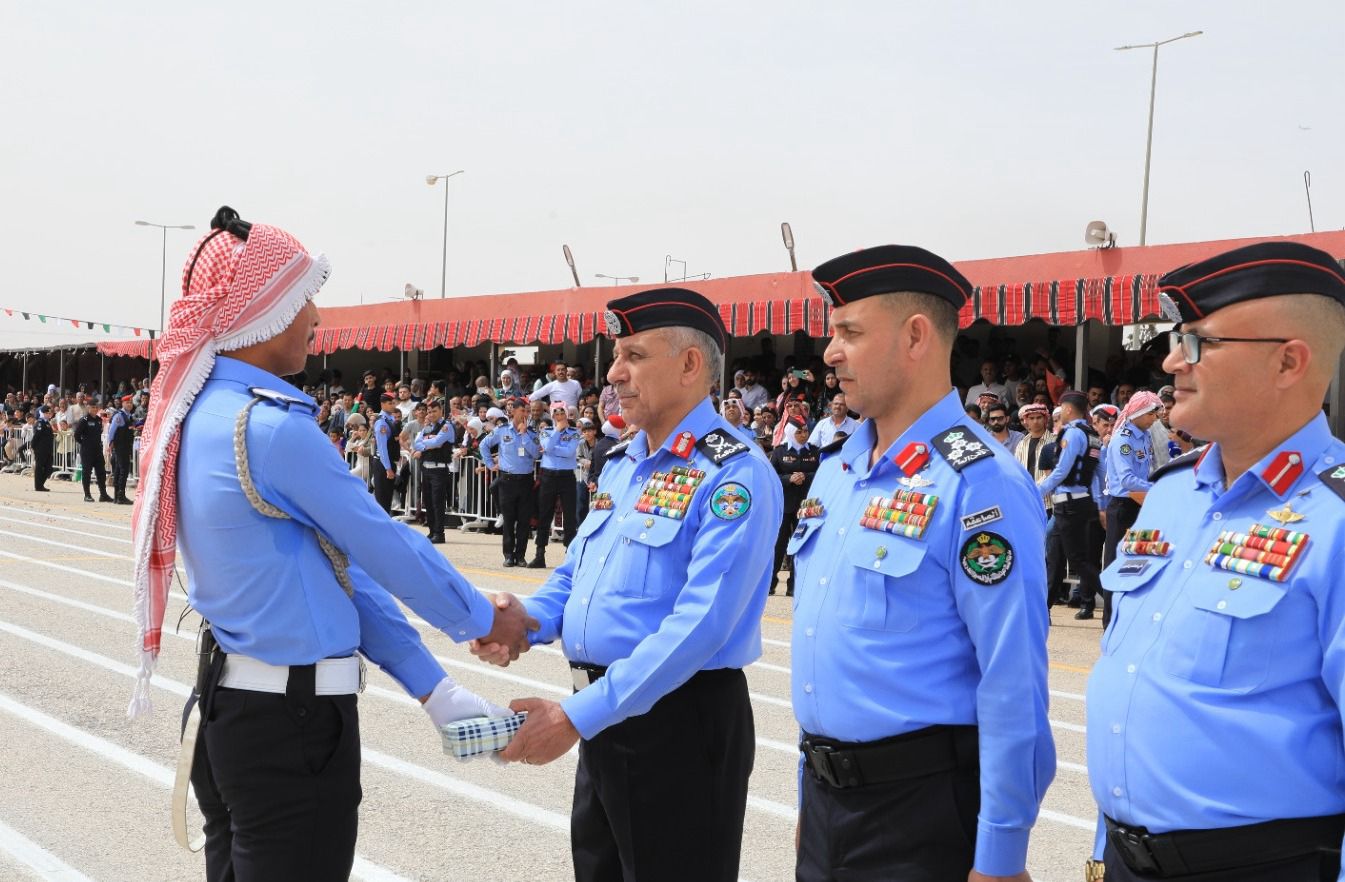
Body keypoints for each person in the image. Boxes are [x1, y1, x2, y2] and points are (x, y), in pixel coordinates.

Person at [126, 206, 535, 882]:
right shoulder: (268, 428)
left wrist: (435, 689)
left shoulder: (198, 412)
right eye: (302, 297)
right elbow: (379, 544)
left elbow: (334, 570)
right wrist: (484, 620)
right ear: (262, 311)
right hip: (291, 729)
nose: (315, 315)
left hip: (234, 715)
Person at [474, 287, 783, 882]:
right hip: (609, 717)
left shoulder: (733, 473)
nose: (614, 373)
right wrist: (523, 620)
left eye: (634, 356)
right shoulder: (624, 461)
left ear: (690, 365)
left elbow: (700, 625)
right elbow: (577, 575)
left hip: (677, 725)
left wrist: (574, 718)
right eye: (617, 356)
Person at [1085, 241, 1345, 882]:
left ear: (1288, 361)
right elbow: (1134, 677)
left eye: (1199, 342)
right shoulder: (1172, 491)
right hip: (1126, 859)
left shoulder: (1335, 516)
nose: (1172, 361)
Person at [793, 245, 1054, 881]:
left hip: (920, 814)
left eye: (850, 332)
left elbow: (1012, 679)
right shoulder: (838, 469)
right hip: (828, 805)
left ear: (915, 337)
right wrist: (809, 796)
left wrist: (1000, 854)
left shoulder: (980, 481)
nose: (830, 353)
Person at [1038, 390, 1105, 620]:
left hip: (1069, 504)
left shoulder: (1073, 433)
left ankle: (1114, 599)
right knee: (1056, 558)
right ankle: (1043, 610)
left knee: (1078, 561)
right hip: (1080, 502)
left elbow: (1061, 471)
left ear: (1067, 409)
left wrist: (1036, 492)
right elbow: (1099, 472)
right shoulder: (1092, 434)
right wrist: (1099, 503)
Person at [478, 399, 539, 567]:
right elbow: (484, 445)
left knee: (524, 520)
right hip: (508, 480)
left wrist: (524, 435)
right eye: (523, 411)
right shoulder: (502, 430)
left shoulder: (532, 433)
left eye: (527, 411)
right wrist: (489, 464)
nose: (525, 414)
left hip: (526, 480)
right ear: (514, 411)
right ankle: (508, 555)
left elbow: (536, 454)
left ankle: (521, 556)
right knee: (509, 519)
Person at [770, 418, 818, 596]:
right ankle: (770, 583)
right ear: (790, 433)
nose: (803, 434)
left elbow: (822, 472)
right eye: (799, 432)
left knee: (800, 545)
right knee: (778, 545)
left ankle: (794, 585)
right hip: (784, 505)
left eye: (805, 431)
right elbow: (771, 475)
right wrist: (788, 479)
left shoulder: (814, 451)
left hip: (806, 506)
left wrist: (805, 476)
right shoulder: (780, 451)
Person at [531, 402, 581, 568]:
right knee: (544, 515)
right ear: (552, 416)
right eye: (556, 414)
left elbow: (569, 452)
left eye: (562, 414)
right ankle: (539, 554)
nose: (559, 417)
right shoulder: (546, 431)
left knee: (570, 516)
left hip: (567, 476)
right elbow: (546, 446)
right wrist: (557, 431)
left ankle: (570, 555)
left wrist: (552, 449)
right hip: (548, 476)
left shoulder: (574, 432)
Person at [412, 400, 454, 544]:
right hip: (426, 469)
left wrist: (428, 443)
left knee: (437, 503)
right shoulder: (427, 428)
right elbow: (416, 444)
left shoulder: (446, 426)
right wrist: (429, 442)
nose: (431, 414)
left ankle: (439, 533)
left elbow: (437, 443)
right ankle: (432, 531)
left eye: (434, 411)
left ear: (441, 410)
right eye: (429, 412)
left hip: (439, 469)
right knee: (428, 502)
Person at [74, 404, 112, 502]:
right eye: (92, 407)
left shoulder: (99, 420)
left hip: (97, 450)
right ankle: (87, 495)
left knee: (101, 472)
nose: (94, 409)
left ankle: (103, 494)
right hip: (87, 451)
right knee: (87, 472)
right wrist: (84, 443)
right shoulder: (84, 420)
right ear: (88, 408)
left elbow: (99, 432)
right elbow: (77, 435)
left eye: (96, 407)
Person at [371, 392, 401, 513]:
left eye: (393, 403)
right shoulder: (381, 423)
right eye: (390, 403)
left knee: (387, 498)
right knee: (382, 500)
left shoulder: (390, 419)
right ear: (382, 404)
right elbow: (382, 448)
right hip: (382, 464)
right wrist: (388, 468)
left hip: (390, 462)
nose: (393, 405)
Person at [107, 394, 136, 504]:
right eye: (127, 402)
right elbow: (112, 430)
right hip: (120, 446)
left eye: (131, 403)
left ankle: (117, 496)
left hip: (125, 446)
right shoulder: (119, 416)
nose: (129, 404)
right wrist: (110, 443)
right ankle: (120, 496)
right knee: (123, 470)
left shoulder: (128, 415)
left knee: (119, 470)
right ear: (123, 403)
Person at [31, 404, 53, 491]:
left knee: (49, 468)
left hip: (48, 449)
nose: (49, 414)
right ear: (43, 413)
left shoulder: (47, 423)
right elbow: (37, 436)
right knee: (39, 468)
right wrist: (33, 446)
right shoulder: (40, 422)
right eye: (47, 413)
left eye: (49, 413)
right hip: (40, 449)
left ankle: (40, 484)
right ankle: (38, 486)